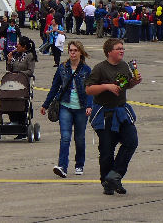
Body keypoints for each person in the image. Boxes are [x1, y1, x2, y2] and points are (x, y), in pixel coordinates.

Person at [85, 38, 142, 196]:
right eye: (118, 48)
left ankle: (115, 175)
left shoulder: (124, 66)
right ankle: (107, 182)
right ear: (109, 52)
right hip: (105, 114)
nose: (122, 51)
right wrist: (106, 86)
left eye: (123, 48)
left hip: (121, 112)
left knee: (131, 141)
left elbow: (124, 84)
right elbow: (89, 89)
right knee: (106, 150)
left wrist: (133, 82)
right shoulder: (100, 68)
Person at [41, 41, 94, 178]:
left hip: (81, 108)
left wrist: (89, 105)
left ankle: (79, 164)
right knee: (65, 137)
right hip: (65, 106)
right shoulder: (62, 68)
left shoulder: (86, 70)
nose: (73, 53)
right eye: (70, 50)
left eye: (75, 50)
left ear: (80, 52)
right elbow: (54, 87)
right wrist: (45, 105)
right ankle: (62, 166)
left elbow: (90, 90)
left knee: (79, 138)